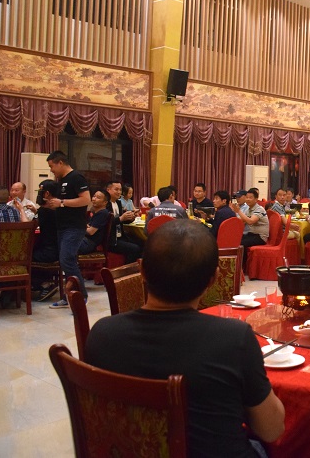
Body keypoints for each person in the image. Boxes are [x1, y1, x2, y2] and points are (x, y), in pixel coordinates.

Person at [85, 219, 285, 457]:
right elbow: (271, 430)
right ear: (213, 279)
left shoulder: (102, 334)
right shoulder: (234, 339)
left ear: (142, 271)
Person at [45, 151, 91, 308]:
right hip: (62, 227)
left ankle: (81, 297)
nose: (51, 170)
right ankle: (68, 297)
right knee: (64, 262)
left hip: (74, 227)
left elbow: (85, 200)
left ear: (60, 163)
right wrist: (52, 204)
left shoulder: (76, 177)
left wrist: (62, 203)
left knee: (67, 259)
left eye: (52, 166)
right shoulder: (61, 181)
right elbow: (62, 203)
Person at [31, 179, 61, 301]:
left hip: (48, 252)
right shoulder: (61, 209)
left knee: (22, 258)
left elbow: (29, 226)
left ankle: (44, 285)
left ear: (47, 193)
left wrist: (21, 210)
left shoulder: (44, 211)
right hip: (60, 250)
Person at [104, 181, 142, 263]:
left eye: (120, 190)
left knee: (142, 242)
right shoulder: (105, 204)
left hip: (121, 236)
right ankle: (128, 269)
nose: (119, 192)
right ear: (108, 190)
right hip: (111, 240)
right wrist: (121, 218)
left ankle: (139, 268)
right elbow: (105, 222)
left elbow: (122, 221)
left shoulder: (118, 202)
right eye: (116, 189)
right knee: (135, 248)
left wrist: (131, 218)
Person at [78, 188, 110, 255]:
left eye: (98, 197)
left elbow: (91, 232)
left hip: (89, 243)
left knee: (66, 242)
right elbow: (88, 226)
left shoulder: (103, 213)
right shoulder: (95, 211)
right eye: (94, 196)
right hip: (85, 239)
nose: (94, 199)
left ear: (105, 202)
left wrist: (79, 226)